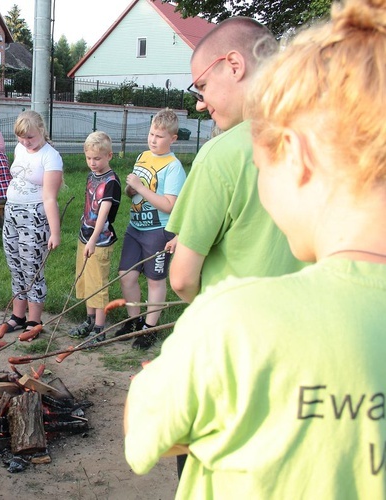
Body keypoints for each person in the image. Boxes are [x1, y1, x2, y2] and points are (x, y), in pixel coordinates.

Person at [124, 1, 386, 496]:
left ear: (299, 158)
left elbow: (146, 435)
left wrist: (166, 374)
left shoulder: (230, 322)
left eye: (264, 169)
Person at [165, 18, 304, 304]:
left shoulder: (222, 154)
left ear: (234, 66)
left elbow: (182, 279)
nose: (200, 103)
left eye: (202, 85)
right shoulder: (329, 140)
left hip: (240, 334)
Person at [113, 109, 186, 349]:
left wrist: (140, 188)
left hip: (158, 230)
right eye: (151, 134)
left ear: (173, 139)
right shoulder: (144, 156)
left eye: (160, 136)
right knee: (127, 275)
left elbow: (169, 204)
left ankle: (150, 328)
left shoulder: (173, 167)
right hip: (136, 227)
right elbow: (133, 190)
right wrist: (130, 189)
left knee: (155, 280)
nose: (153, 140)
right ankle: (134, 320)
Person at [1, 111, 63, 336]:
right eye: (21, 138)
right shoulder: (20, 149)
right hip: (11, 213)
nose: (26, 142)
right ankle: (18, 316)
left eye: (30, 137)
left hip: (34, 216)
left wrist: (54, 232)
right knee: (15, 265)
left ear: (41, 131)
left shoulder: (51, 156)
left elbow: (50, 197)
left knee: (32, 269)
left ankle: (34, 321)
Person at [67, 132, 121, 342]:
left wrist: (92, 240)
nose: (92, 163)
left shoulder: (111, 182)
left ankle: (100, 328)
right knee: (85, 280)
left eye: (97, 158)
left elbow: (103, 214)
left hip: (100, 241)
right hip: (85, 236)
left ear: (109, 155)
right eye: (89, 158)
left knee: (98, 283)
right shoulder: (91, 177)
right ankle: (89, 320)